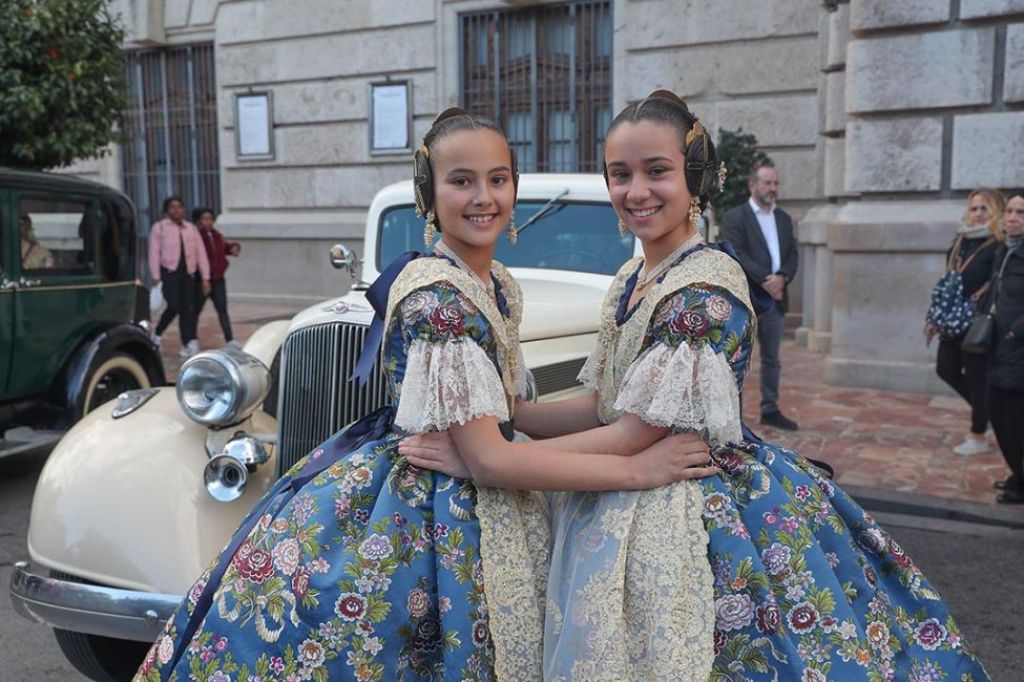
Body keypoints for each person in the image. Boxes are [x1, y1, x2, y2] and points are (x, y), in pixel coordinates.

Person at [406, 91, 989, 680]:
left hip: (678, 498)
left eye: (657, 170)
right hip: (623, 481)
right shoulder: (634, 277)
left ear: (697, 176)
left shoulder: (704, 290)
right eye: (620, 174)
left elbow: (633, 438)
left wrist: (499, 459)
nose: (637, 191)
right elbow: (607, 406)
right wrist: (511, 419)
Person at [134, 109, 712, 682]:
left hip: (478, 474)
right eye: (460, 181)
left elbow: (500, 429)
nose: (482, 197)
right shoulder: (439, 301)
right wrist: (618, 467)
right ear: (428, 195)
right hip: (434, 505)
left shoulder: (492, 282)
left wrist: (507, 427)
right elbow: (491, 459)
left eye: (497, 179)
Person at [720, 163, 800, 430]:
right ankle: (735, 418)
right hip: (746, 300)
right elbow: (736, 252)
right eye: (767, 183)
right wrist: (766, 279)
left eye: (775, 183)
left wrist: (782, 278)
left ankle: (770, 409)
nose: (772, 188)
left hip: (775, 301)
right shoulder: (735, 217)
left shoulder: (784, 219)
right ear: (752, 185)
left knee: (772, 359)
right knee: (737, 359)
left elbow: (792, 255)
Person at [925, 189, 1003, 455]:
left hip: (977, 320)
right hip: (952, 319)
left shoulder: (998, 244)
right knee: (945, 369)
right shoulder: (960, 240)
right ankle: (989, 413)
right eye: (974, 208)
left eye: (984, 209)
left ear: (995, 212)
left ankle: (978, 435)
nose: (978, 214)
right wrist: (933, 317)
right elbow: (946, 284)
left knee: (977, 378)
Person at [987, 190, 1024, 504]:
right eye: (1009, 211)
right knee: (997, 412)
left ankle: (1020, 482)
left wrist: (1015, 332)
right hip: (998, 344)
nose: (1013, 217)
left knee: (1013, 418)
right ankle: (1017, 473)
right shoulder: (1004, 250)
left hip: (1018, 348)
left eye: (1021, 213)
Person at [149, 197, 211, 358]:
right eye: (172, 207)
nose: (176, 210)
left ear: (183, 209)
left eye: (179, 207)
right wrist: (155, 275)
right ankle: (157, 334)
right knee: (174, 305)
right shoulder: (159, 227)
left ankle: (187, 342)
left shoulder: (191, 228)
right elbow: (154, 252)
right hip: (169, 273)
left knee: (187, 310)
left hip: (188, 274)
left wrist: (205, 277)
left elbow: (201, 253)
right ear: (166, 210)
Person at [193, 208, 242, 350]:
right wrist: (202, 278)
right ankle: (191, 339)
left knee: (222, 310)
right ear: (198, 221)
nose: (208, 222)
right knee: (195, 310)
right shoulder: (196, 237)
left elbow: (224, 248)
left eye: (210, 219)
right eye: (205, 219)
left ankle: (229, 339)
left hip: (218, 279)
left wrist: (233, 248)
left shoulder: (216, 235)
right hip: (202, 280)